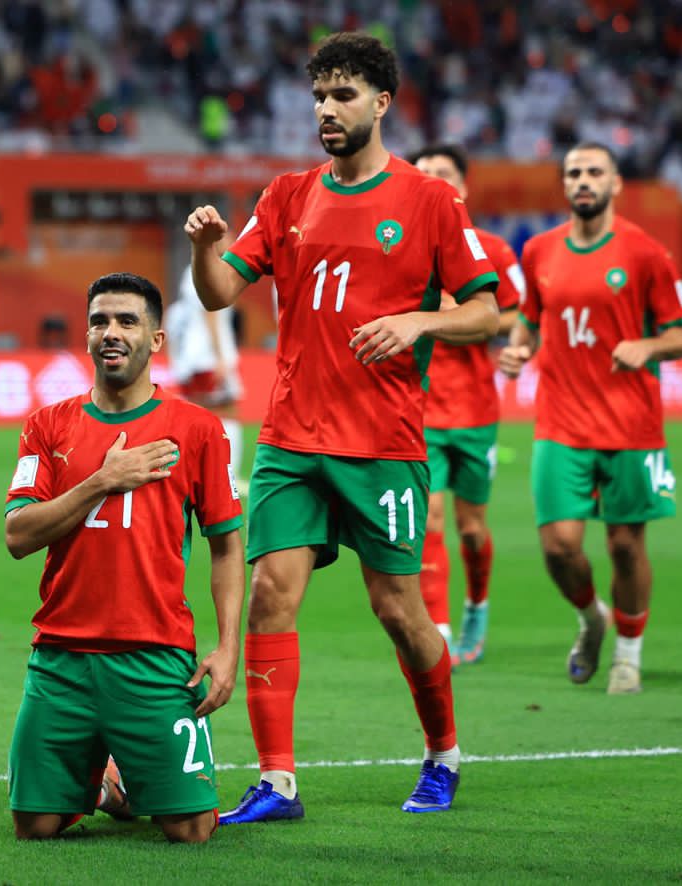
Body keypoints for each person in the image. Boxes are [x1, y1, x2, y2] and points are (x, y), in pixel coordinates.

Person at [185, 32, 501, 821]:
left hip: (381, 444)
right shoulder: (287, 195)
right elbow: (219, 292)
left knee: (398, 610)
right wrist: (203, 251)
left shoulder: (430, 201)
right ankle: (277, 782)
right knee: (269, 595)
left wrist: (421, 321)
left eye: (344, 95)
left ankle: (443, 754)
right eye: (319, 96)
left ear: (382, 103)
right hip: (291, 438)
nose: (327, 109)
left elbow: (488, 310)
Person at [3, 272, 244, 843]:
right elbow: (18, 536)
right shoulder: (47, 426)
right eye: (99, 322)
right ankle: (108, 786)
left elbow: (227, 546)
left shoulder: (197, 429)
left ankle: (128, 780)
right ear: (87, 336)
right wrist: (102, 481)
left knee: (191, 830)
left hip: (154, 655)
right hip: (61, 656)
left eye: (127, 321)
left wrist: (229, 647)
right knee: (34, 826)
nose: (110, 332)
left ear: (156, 339)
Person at [498, 142, 682, 696]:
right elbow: (529, 319)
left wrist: (648, 346)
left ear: (615, 184)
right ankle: (592, 619)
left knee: (625, 548)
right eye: (574, 173)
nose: (583, 180)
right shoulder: (539, 250)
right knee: (559, 547)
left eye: (594, 172)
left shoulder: (646, 253)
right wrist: (518, 349)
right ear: (564, 185)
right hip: (560, 422)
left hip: (630, 425)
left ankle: (628, 657)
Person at [407, 144, 524, 666]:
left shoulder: (492, 249)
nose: (434, 181)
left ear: (463, 186)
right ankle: (440, 630)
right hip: (420, 407)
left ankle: (477, 604)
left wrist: (472, 319)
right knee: (430, 518)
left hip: (476, 410)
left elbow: (519, 313)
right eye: (424, 174)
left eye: (443, 173)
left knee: (472, 528)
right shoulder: (399, 245)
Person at [166, 264, 246, 480]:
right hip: (207, 357)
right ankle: (226, 474)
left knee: (196, 415)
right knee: (226, 412)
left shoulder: (181, 300)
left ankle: (194, 472)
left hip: (191, 360)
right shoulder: (210, 269)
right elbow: (209, 311)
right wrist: (220, 356)